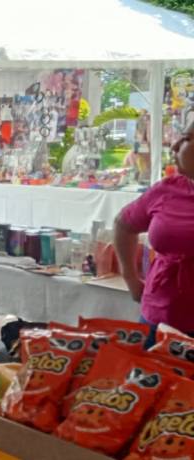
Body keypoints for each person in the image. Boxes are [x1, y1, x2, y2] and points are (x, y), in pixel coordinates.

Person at [115, 118, 194, 337]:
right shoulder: (167, 189)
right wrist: (130, 277)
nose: (176, 146)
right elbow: (123, 224)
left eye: (186, 138)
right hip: (159, 315)